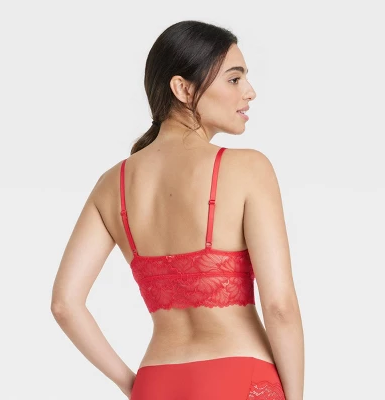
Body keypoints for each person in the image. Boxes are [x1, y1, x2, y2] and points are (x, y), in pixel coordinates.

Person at [51, 20, 304, 400]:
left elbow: (65, 305)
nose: (249, 92)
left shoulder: (111, 184)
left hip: (156, 383)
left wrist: (133, 386)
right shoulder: (248, 168)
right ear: (183, 88)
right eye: (234, 79)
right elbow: (280, 307)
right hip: (239, 376)